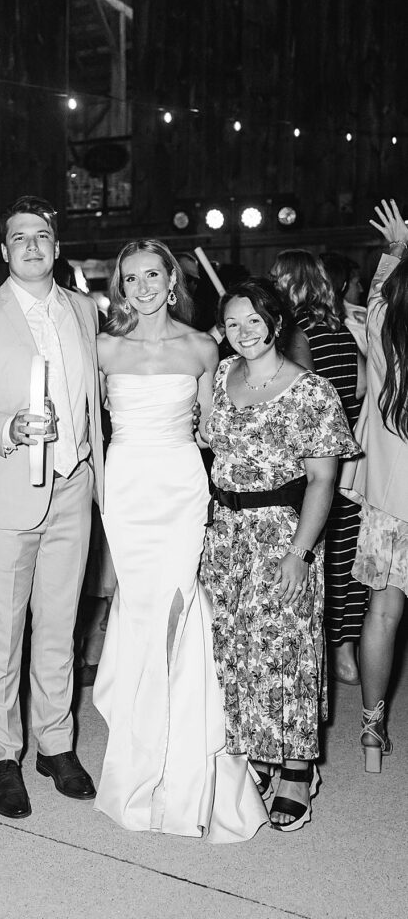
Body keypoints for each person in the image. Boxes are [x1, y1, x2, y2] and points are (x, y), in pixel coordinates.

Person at [92, 240, 266, 841]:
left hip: (181, 485)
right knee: (139, 609)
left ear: (172, 281)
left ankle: (186, 750)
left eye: (152, 275)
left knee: (180, 606)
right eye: (130, 277)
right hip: (127, 486)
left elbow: (217, 428)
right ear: (120, 285)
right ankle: (141, 745)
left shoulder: (202, 346)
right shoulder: (103, 347)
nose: (141, 286)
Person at [0, 195, 104, 820]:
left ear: (57, 248)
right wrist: (6, 427)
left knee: (62, 626)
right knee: (2, 636)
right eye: (19, 238)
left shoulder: (86, 311)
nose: (32, 245)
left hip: (74, 487)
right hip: (7, 490)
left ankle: (55, 745)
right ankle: (2, 755)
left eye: (42, 235)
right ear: (3, 251)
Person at [200, 278, 359, 832]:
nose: (244, 332)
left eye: (253, 320)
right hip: (224, 535)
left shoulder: (311, 391)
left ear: (276, 321)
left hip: (281, 535)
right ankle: (260, 753)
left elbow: (322, 481)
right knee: (238, 652)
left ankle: (297, 768)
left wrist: (300, 552)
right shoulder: (220, 376)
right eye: (233, 322)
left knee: (287, 654)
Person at [271, 250, 367, 685]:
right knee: (346, 552)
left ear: (292, 282)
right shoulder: (338, 328)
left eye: (277, 278)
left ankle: (322, 658)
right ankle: (347, 651)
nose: (271, 285)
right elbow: (363, 384)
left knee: (315, 555)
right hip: (348, 457)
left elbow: (299, 396)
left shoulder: (297, 331)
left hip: (314, 461)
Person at [339, 198, 408, 773]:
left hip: (390, 499)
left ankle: (370, 733)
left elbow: (376, 296)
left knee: (382, 615)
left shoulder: (385, 327)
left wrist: (394, 249)